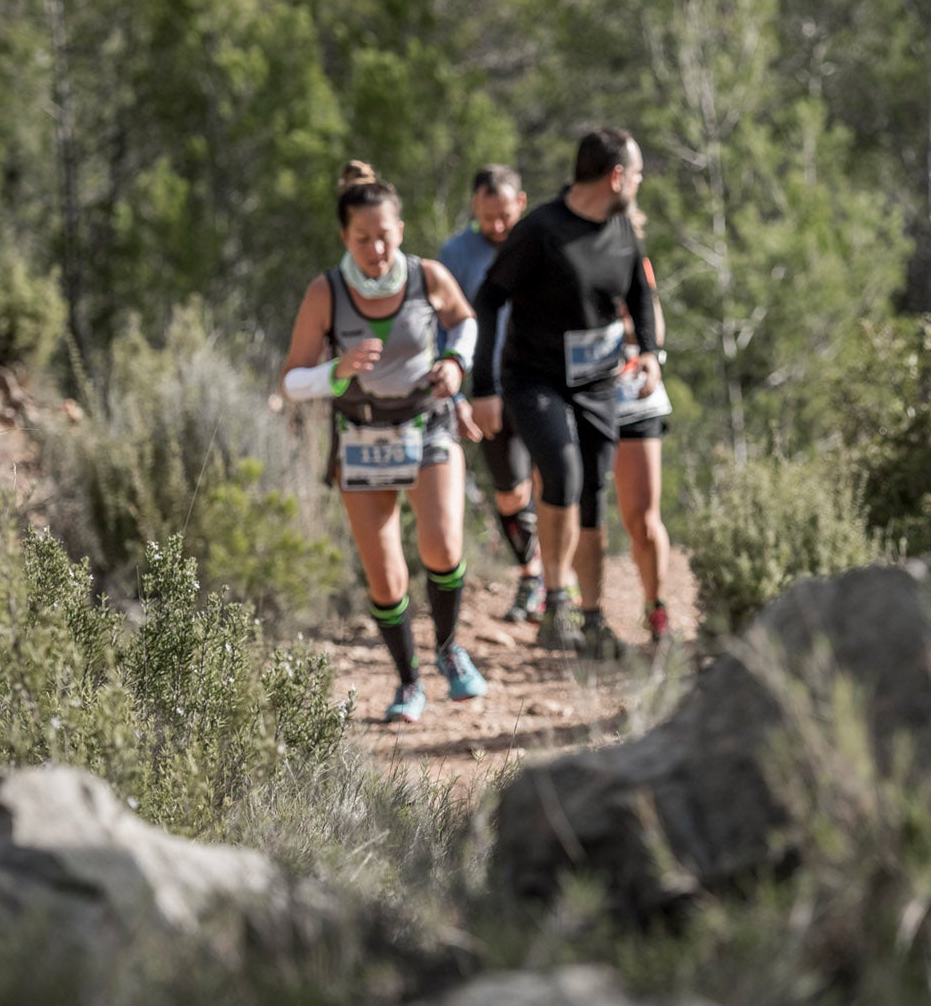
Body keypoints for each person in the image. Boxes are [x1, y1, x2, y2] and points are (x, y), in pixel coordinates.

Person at [279, 161, 490, 722]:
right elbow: (293, 380)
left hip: (427, 421)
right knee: (386, 574)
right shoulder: (326, 292)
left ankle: (449, 650)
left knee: (443, 545)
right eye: (362, 238)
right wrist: (337, 371)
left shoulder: (427, 276)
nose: (376, 249)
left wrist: (455, 362)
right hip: (361, 434)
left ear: (401, 228)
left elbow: (464, 321)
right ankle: (407, 682)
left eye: (385, 235)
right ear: (344, 237)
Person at [470, 128, 659, 659]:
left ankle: (592, 617)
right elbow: (488, 299)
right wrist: (483, 388)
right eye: (637, 173)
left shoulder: (621, 226)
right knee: (563, 472)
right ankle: (556, 604)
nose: (640, 182)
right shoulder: (541, 231)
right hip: (535, 380)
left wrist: (648, 351)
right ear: (616, 176)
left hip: (599, 384)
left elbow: (640, 292)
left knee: (593, 490)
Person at [438, 165, 546, 623]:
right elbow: (443, 326)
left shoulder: (540, 241)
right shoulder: (456, 254)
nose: (497, 227)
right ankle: (531, 575)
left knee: (556, 482)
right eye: (487, 218)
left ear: (521, 202)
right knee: (509, 493)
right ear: (474, 211)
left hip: (543, 383)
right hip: (487, 393)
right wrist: (456, 395)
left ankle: (560, 583)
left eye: (504, 215)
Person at [612, 209, 673, 644]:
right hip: (581, 396)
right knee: (580, 510)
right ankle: (581, 610)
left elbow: (656, 329)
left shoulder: (638, 266)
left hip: (635, 394)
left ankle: (657, 607)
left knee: (643, 518)